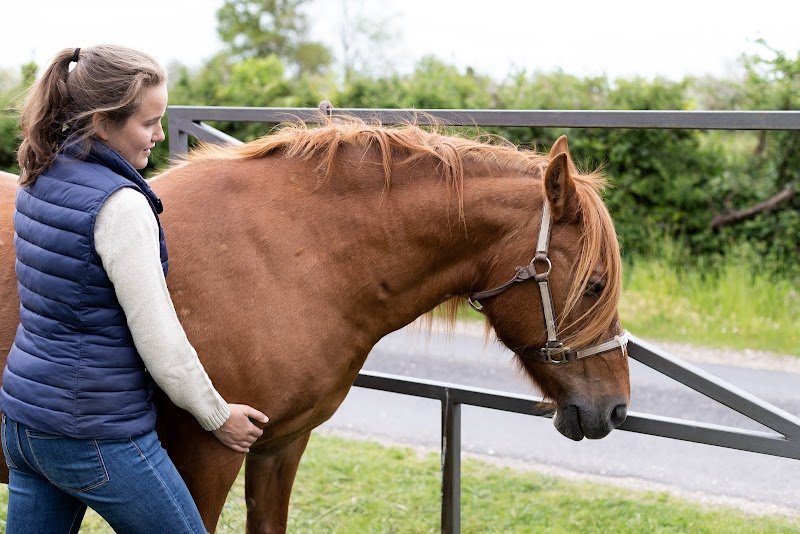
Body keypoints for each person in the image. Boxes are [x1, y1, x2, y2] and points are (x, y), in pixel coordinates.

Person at [0, 45, 268, 533]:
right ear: (102, 122)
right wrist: (217, 415)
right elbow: (160, 342)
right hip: (95, 436)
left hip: (24, 425)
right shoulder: (119, 206)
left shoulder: (38, 176)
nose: (161, 135)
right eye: (149, 123)